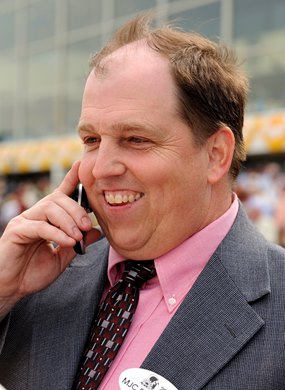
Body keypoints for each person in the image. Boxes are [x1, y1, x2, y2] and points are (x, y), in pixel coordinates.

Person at [0, 14, 284, 390]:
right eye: (91, 140)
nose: (100, 169)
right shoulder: (36, 279)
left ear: (216, 154)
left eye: (135, 139)